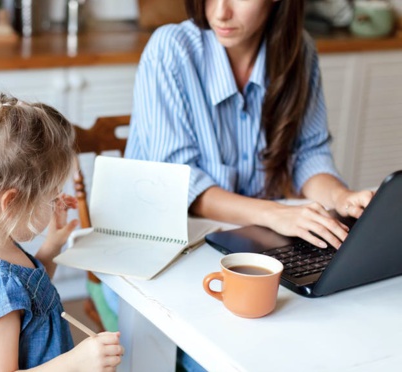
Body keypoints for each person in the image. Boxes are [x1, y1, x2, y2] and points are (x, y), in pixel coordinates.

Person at [110, 1, 374, 371]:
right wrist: (277, 214)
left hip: (244, 248)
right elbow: (182, 184)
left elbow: (309, 155)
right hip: (153, 255)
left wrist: (342, 197)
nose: (220, 12)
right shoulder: (171, 49)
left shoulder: (300, 51)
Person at [0, 93, 123, 372]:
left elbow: (30, 299)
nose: (57, 201)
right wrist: (76, 363)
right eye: (51, 195)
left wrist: (51, 246)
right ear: (10, 203)